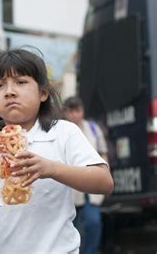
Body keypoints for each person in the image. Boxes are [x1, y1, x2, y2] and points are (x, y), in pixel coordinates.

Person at [0, 48, 114, 253]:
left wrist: (51, 169)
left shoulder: (63, 133)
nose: (9, 91)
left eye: (21, 82)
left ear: (43, 93)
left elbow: (104, 181)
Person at [64, 96, 108, 254]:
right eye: (71, 111)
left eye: (77, 110)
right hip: (70, 188)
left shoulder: (93, 128)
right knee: (71, 227)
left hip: (91, 186)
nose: (74, 115)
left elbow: (103, 153)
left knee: (93, 222)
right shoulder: (62, 131)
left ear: (82, 111)